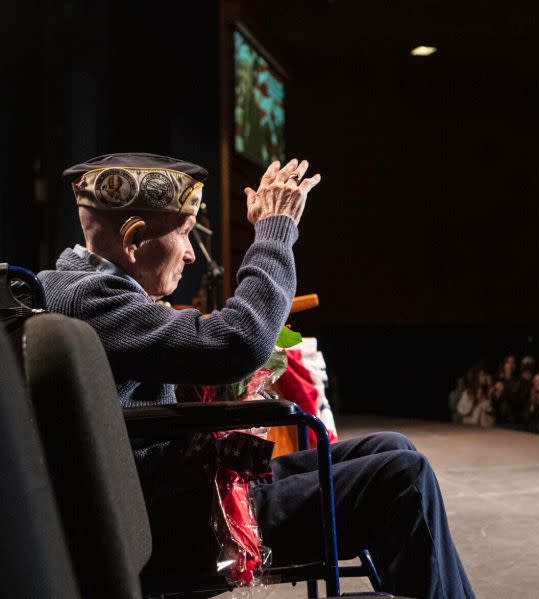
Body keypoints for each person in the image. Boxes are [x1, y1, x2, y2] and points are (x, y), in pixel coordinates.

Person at [37, 153, 473, 599]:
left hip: (176, 491)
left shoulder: (77, 289)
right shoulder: (91, 300)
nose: (190, 253)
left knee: (391, 447)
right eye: (185, 234)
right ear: (133, 240)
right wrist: (275, 231)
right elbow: (237, 343)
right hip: (176, 523)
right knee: (402, 479)